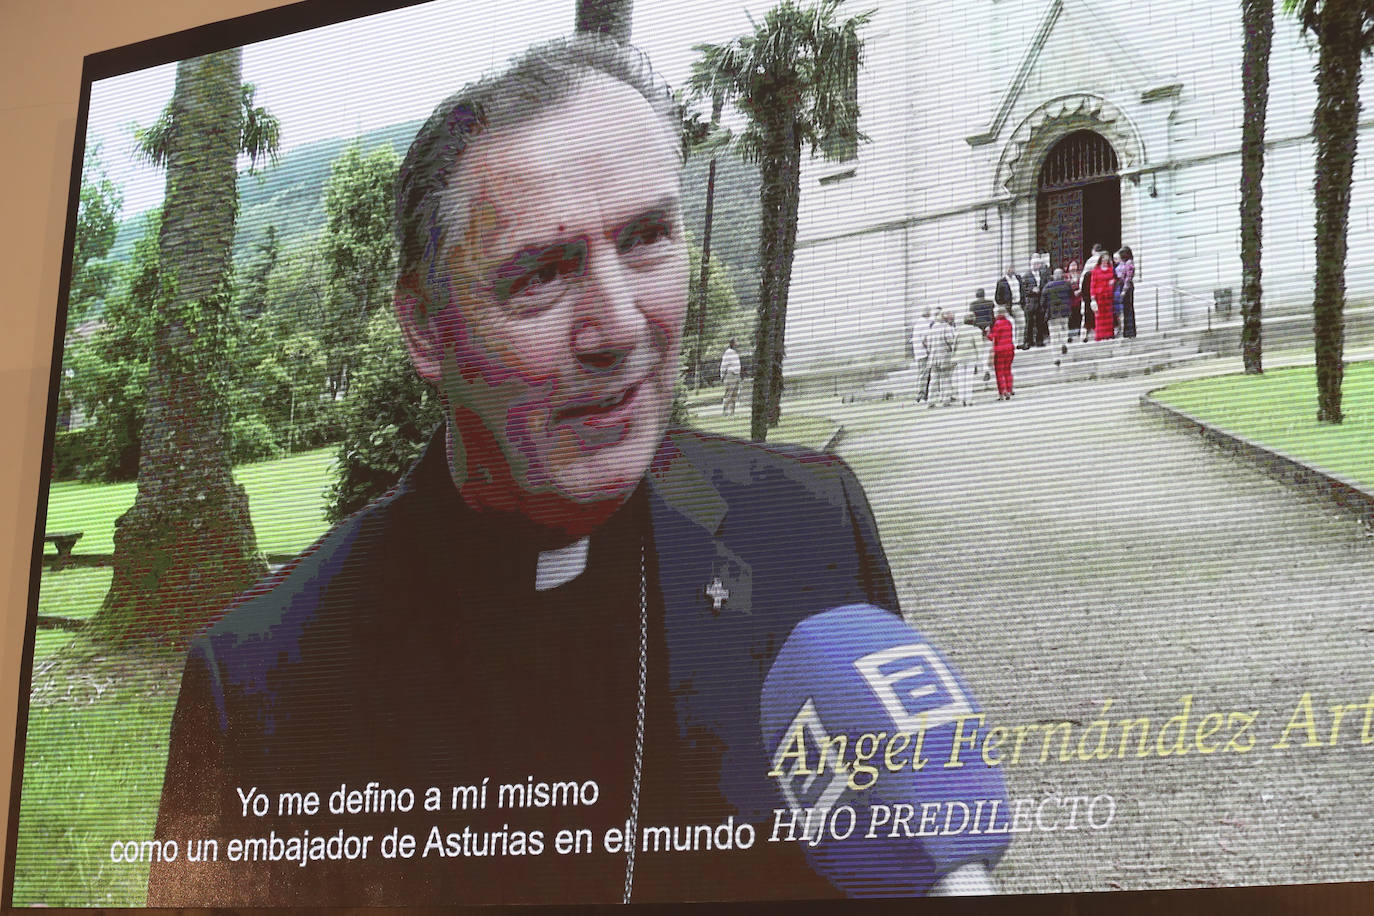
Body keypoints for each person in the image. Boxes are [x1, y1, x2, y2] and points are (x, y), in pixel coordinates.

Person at [147, 36, 901, 908]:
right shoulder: (264, 683)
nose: (619, 328)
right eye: (542, 275)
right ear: (426, 329)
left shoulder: (811, 527)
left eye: (649, 238)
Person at [952, 311, 985, 407]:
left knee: (961, 378)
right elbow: (979, 345)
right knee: (969, 378)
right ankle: (969, 399)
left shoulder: (958, 330)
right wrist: (980, 358)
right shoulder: (976, 331)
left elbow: (955, 343)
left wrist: (954, 355)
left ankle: (961, 399)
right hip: (971, 357)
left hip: (959, 356)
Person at [926, 310, 957, 407]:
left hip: (933, 357)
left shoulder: (931, 329)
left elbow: (928, 344)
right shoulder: (947, 328)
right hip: (944, 357)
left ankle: (930, 400)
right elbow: (951, 342)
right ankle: (946, 400)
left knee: (933, 380)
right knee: (946, 379)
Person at [1042, 268, 1075, 353]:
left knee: (1054, 334)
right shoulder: (1067, 284)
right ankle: (1063, 343)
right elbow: (1072, 297)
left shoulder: (1047, 286)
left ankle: (1055, 353)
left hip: (1052, 314)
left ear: (1053, 276)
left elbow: (1043, 302)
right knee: (1064, 329)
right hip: (1064, 312)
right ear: (1062, 275)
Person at [988, 306, 1016, 400]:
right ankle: (1009, 389)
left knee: (999, 372)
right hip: (1010, 349)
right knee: (1008, 370)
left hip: (1000, 350)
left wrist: (987, 333)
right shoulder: (1009, 323)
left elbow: (993, 337)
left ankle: (1002, 392)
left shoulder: (997, 324)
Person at [1091, 245, 1117, 342]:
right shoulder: (1095, 271)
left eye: (1107, 260)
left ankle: (1109, 334)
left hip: (1108, 296)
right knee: (1099, 317)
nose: (1105, 262)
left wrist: (1112, 282)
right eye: (1104, 260)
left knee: (1108, 316)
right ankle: (1100, 335)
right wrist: (1093, 297)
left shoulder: (1111, 269)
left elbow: (1114, 278)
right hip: (1099, 296)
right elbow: (1093, 284)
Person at [1115, 246, 1137, 338]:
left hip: (1127, 288)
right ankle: (1127, 331)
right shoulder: (1125, 263)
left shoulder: (1129, 263)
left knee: (1128, 309)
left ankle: (1130, 331)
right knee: (1126, 309)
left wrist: (1124, 290)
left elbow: (1128, 278)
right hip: (1124, 286)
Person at [719, 338, 741, 416]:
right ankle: (724, 411)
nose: (737, 344)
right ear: (732, 344)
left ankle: (732, 412)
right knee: (729, 394)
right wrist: (722, 375)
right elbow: (723, 365)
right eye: (736, 342)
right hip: (730, 375)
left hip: (737, 375)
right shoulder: (728, 352)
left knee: (734, 395)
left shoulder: (735, 353)